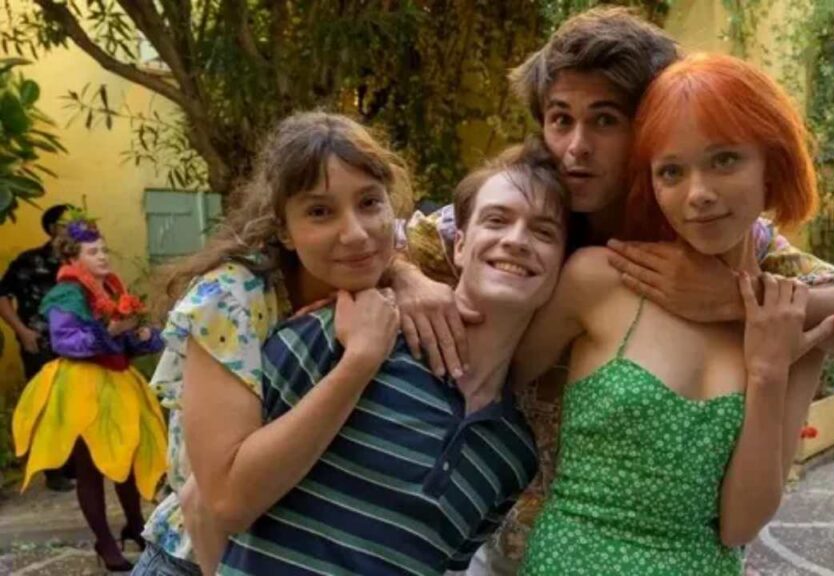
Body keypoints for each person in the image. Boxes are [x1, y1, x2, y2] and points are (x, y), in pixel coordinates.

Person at [393, 7, 834, 572]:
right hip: (506, 540)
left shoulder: (723, 237)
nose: (576, 146)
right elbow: (377, 244)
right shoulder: (523, 218)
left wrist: (728, 297)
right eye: (560, 119)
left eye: (605, 120)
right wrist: (406, 278)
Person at [505, 52, 831, 576]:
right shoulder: (601, 279)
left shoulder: (788, 321)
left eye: (724, 160)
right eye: (672, 171)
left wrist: (769, 373)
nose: (698, 194)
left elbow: (740, 526)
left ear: (772, 168)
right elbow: (492, 381)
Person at [207, 141, 567, 575]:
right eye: (497, 220)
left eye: (543, 232)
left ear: (562, 266)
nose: (516, 240)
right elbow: (205, 505)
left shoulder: (512, 454)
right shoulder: (334, 335)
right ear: (459, 245)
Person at [132, 112, 413, 576]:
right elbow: (226, 501)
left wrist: (409, 278)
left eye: (369, 202)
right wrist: (358, 363)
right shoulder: (231, 298)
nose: (356, 233)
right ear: (283, 228)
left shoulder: (379, 274)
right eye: (320, 212)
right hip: (200, 562)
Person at [11, 209, 167, 572]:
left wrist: (140, 335)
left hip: (117, 379)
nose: (103, 256)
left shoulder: (111, 288)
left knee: (126, 457)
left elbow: (123, 339)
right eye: (93, 251)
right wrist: (109, 332)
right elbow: (65, 341)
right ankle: (104, 540)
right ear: (73, 258)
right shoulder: (66, 294)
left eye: (104, 250)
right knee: (91, 468)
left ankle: (135, 525)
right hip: (80, 385)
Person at [0, 203, 74, 492]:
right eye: (67, 224)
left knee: (73, 403)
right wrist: (21, 331)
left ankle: (74, 464)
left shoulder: (81, 260)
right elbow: (2, 296)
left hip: (77, 345)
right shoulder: (29, 261)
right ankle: (53, 471)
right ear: (53, 229)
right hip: (41, 344)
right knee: (46, 406)